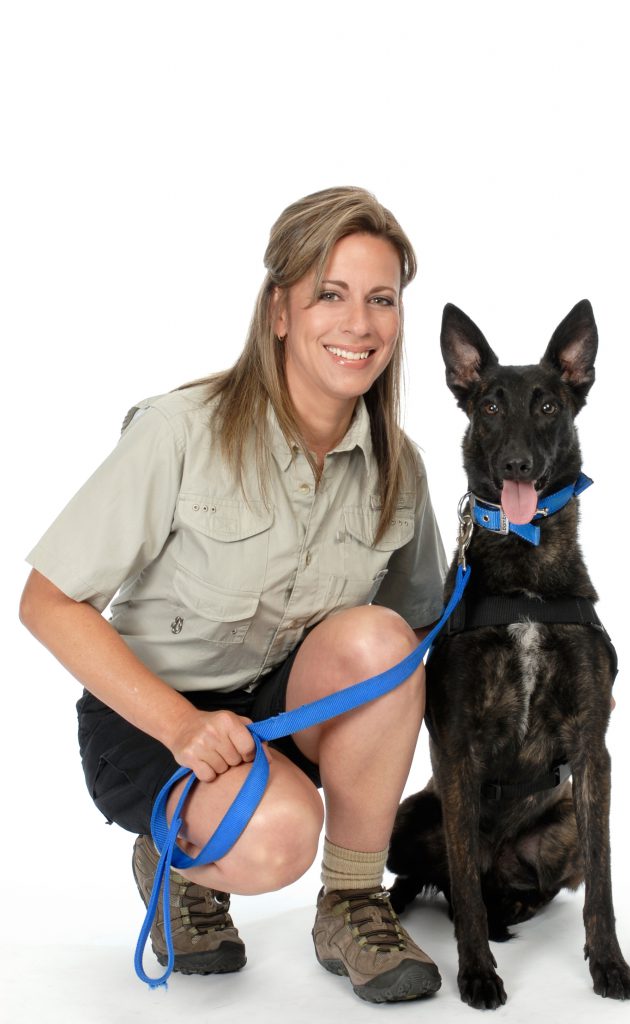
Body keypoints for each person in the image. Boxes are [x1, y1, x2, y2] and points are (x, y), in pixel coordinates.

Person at [19, 186, 447, 1004]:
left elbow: (411, 638)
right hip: (151, 720)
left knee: (382, 641)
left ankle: (352, 902)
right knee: (277, 840)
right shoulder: (182, 431)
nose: (358, 324)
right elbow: (46, 601)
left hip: (279, 712)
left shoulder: (401, 469)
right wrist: (181, 725)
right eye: (330, 293)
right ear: (280, 310)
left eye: (380, 299)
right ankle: (173, 861)